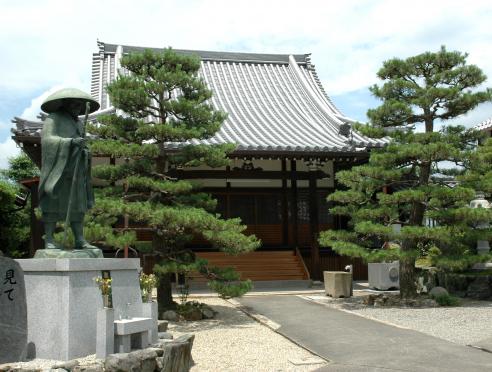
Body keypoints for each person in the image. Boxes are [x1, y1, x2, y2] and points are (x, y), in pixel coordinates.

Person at [38, 88, 100, 250]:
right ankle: (49, 240)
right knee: (52, 202)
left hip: (76, 168)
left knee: (78, 205)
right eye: (75, 104)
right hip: (58, 169)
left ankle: (80, 239)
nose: (78, 109)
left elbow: (82, 144)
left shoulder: (78, 123)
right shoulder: (53, 119)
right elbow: (47, 140)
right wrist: (69, 143)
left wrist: (84, 150)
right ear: (65, 104)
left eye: (80, 106)